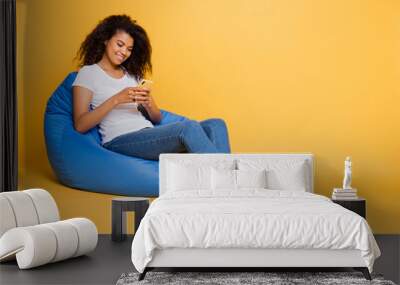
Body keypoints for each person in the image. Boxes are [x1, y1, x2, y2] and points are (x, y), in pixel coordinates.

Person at [72, 15, 230, 160]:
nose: (123, 52)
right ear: (106, 39)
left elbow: (157, 118)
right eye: (119, 45)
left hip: (148, 133)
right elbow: (80, 125)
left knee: (216, 124)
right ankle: (227, 180)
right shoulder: (88, 73)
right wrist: (116, 99)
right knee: (188, 128)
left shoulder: (131, 76)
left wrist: (148, 102)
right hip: (119, 139)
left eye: (129, 49)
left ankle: (224, 180)